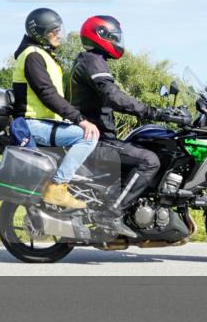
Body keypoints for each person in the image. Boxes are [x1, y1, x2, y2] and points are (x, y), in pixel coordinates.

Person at [70, 15, 170, 238]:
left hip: (95, 137)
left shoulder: (89, 60)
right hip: (97, 140)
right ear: (101, 36)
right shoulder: (92, 60)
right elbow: (113, 96)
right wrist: (152, 111)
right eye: (115, 37)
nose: (118, 41)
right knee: (149, 161)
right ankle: (111, 213)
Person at [11, 8, 101, 210]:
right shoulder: (32, 56)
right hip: (31, 123)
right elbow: (47, 93)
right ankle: (58, 187)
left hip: (44, 122)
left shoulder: (42, 55)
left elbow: (56, 96)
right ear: (40, 33)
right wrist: (80, 120)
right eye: (54, 31)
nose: (60, 35)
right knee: (88, 136)